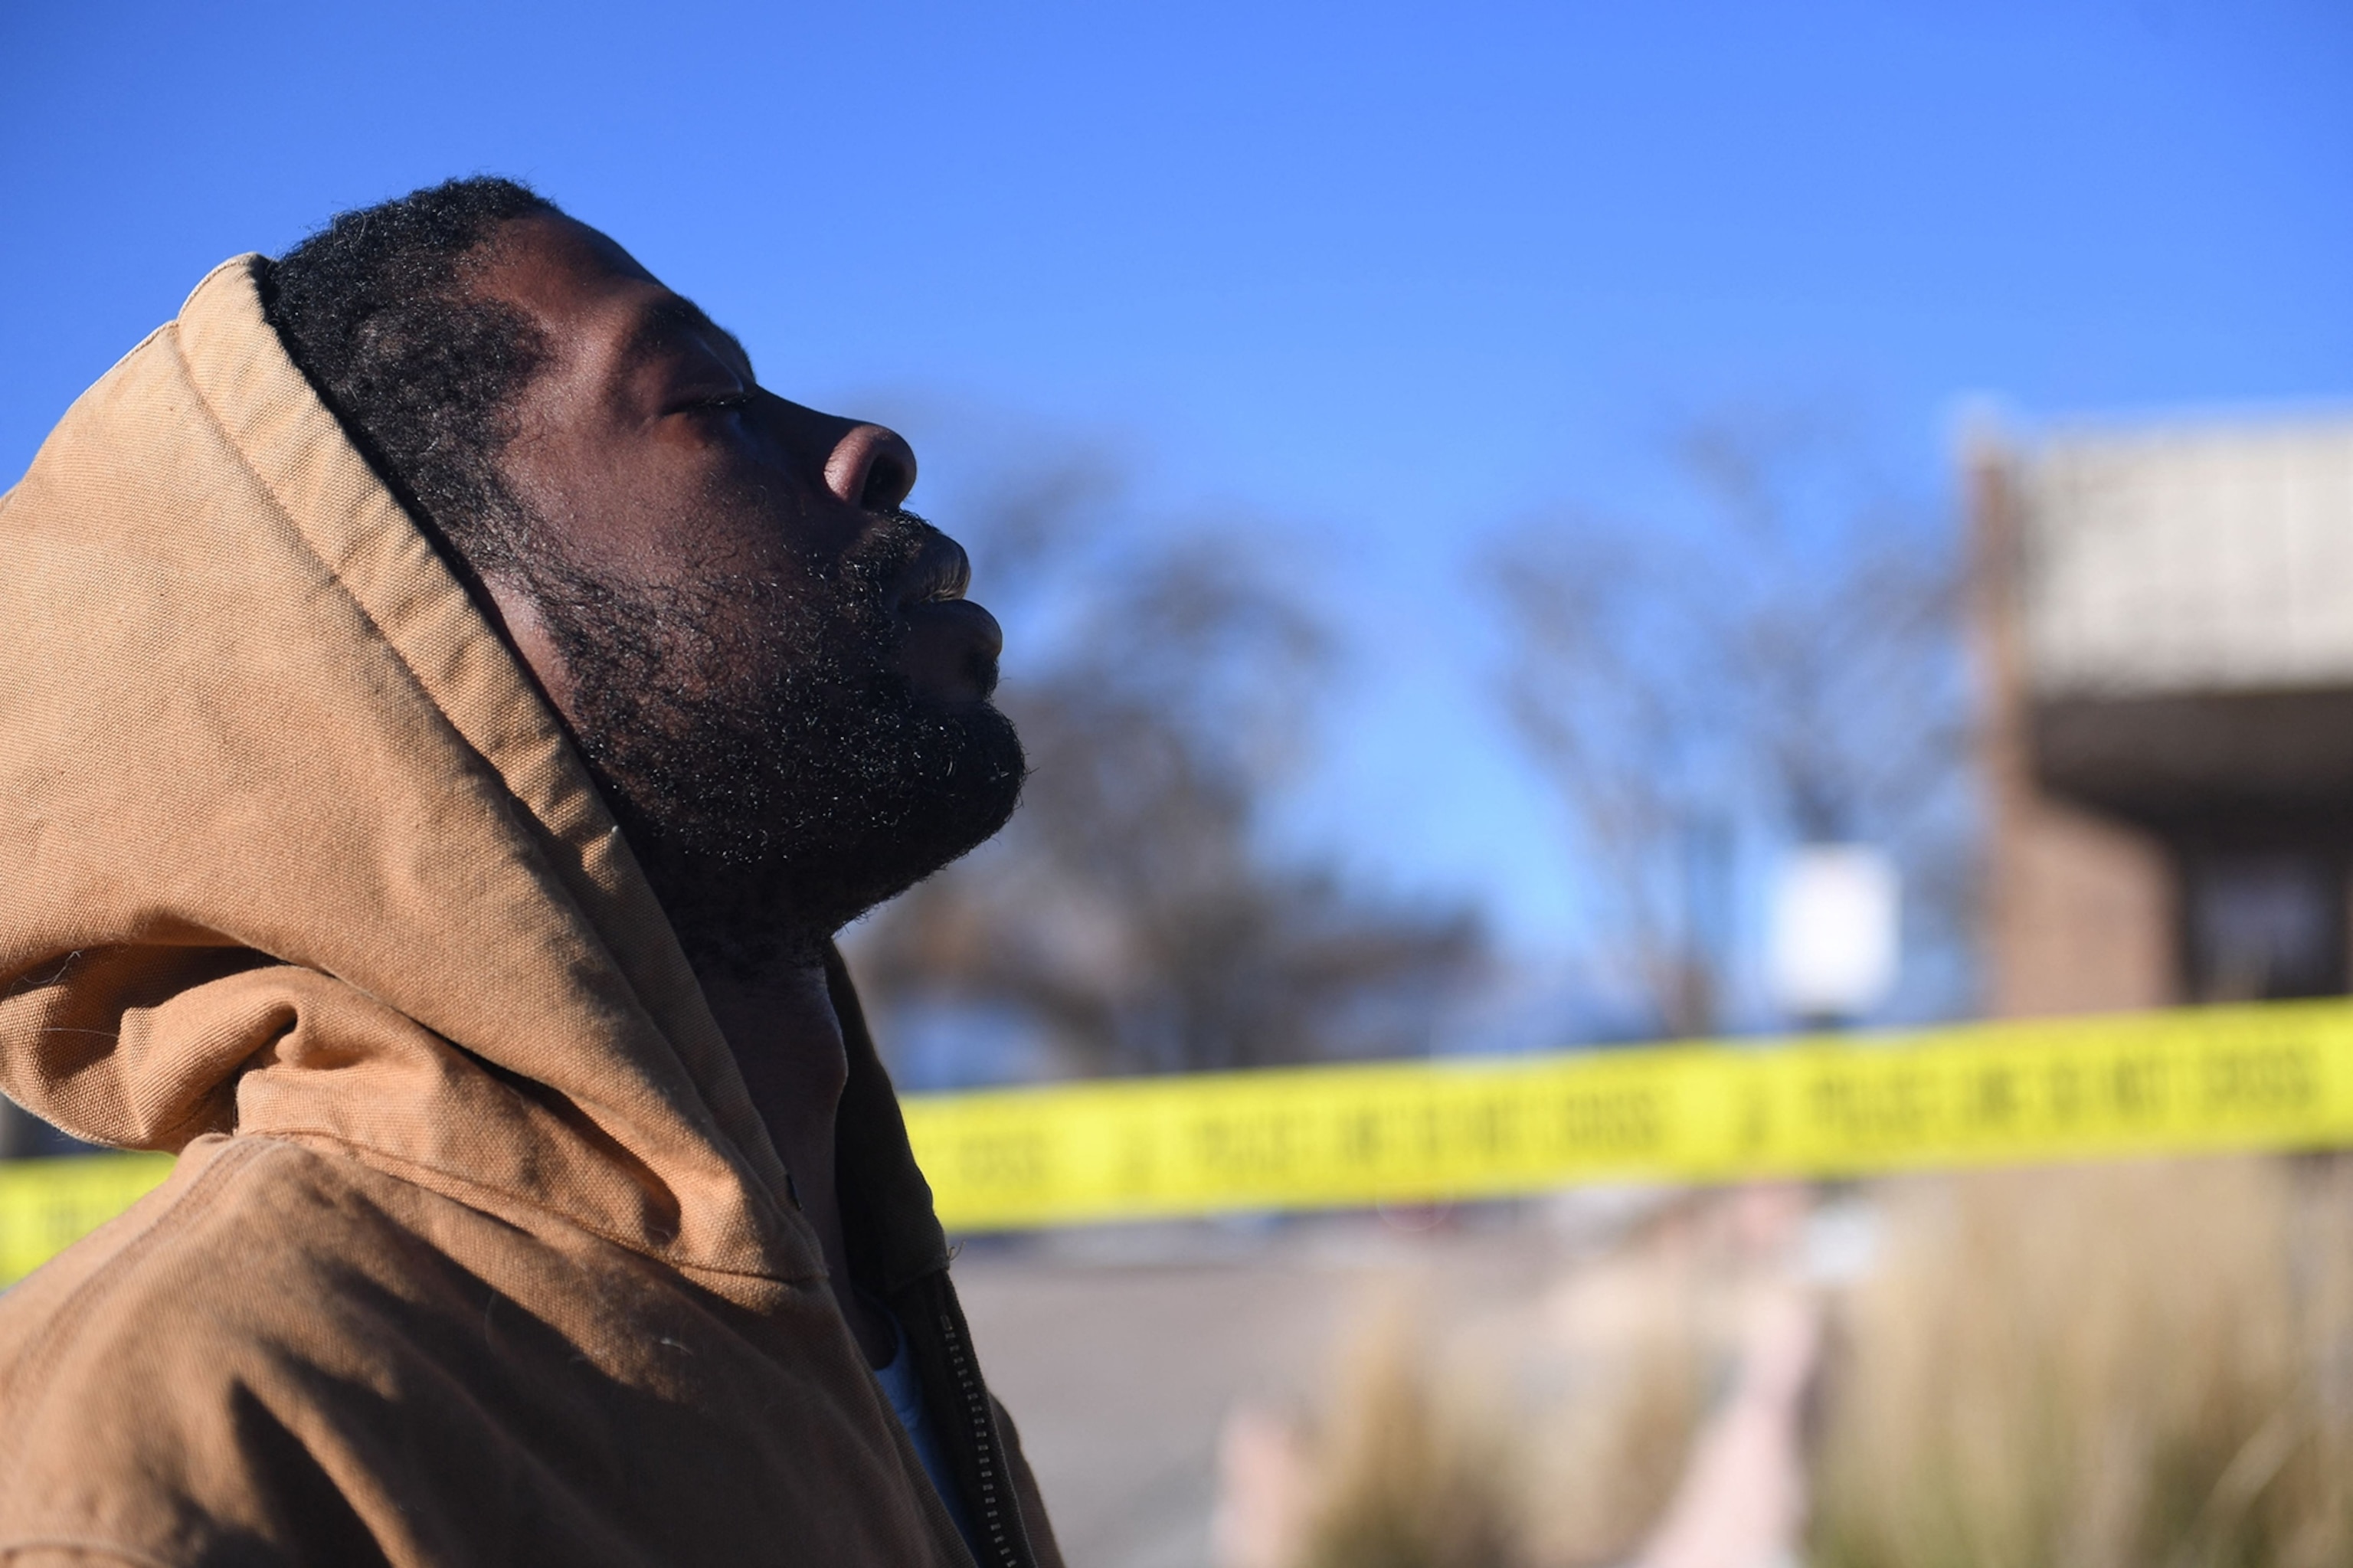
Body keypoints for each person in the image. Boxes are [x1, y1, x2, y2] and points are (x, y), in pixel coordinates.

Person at [0, 176, 1059, 1568]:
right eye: (712, 399)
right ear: (405, 625)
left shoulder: (873, 1346)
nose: (873, 446)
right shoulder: (184, 1467)